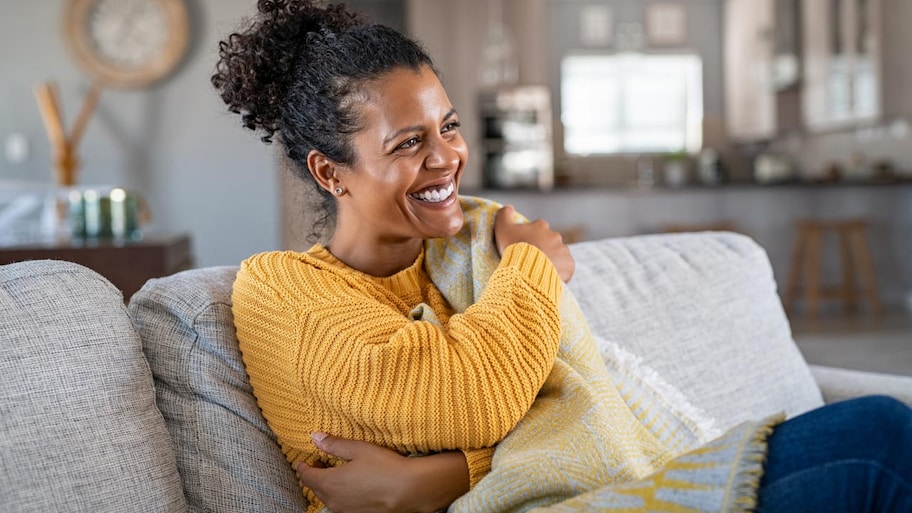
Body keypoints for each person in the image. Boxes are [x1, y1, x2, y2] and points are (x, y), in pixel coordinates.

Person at [213, 1, 912, 512]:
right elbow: (467, 393)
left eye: (449, 127)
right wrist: (535, 267)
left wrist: (437, 477)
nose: (447, 157)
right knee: (881, 439)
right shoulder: (278, 288)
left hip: (606, 491)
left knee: (880, 426)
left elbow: (556, 401)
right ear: (331, 172)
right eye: (407, 142)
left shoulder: (464, 254)